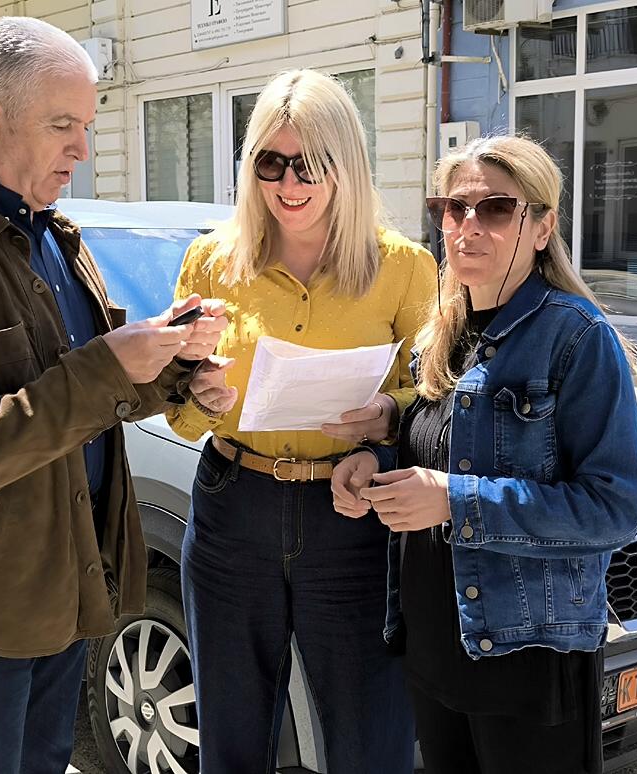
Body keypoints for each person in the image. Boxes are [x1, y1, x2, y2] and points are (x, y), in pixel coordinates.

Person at [0, 17, 230, 773]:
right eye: (63, 125)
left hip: (65, 582)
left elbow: (87, 386)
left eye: (87, 125)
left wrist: (177, 365)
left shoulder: (52, 232)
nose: (82, 150)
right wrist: (111, 367)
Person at [331, 135, 637, 774]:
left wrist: (453, 500)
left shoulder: (577, 338)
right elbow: (444, 452)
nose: (468, 226)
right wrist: (377, 466)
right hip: (434, 646)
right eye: (454, 208)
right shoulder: (440, 335)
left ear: (542, 227)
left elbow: (611, 510)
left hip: (525, 659)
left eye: (496, 209)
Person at [167, 68, 436, 773]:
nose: (290, 183)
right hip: (233, 508)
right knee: (231, 741)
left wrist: (386, 421)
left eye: (310, 163)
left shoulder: (404, 268)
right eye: (271, 163)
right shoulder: (211, 261)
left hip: (352, 516)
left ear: (345, 162)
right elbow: (177, 413)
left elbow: (438, 399)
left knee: (370, 743)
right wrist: (199, 396)